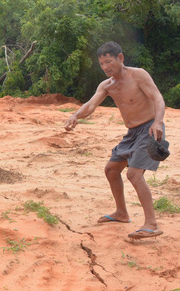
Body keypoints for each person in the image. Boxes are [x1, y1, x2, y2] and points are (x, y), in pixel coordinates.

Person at [63, 41, 166, 239]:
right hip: (132, 134)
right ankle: (121, 213)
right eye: (102, 64)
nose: (105, 67)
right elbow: (91, 105)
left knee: (134, 174)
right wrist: (75, 115)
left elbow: (157, 98)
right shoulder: (107, 85)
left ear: (120, 58)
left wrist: (159, 122)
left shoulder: (138, 75)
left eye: (108, 62)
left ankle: (151, 224)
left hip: (150, 129)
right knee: (111, 170)